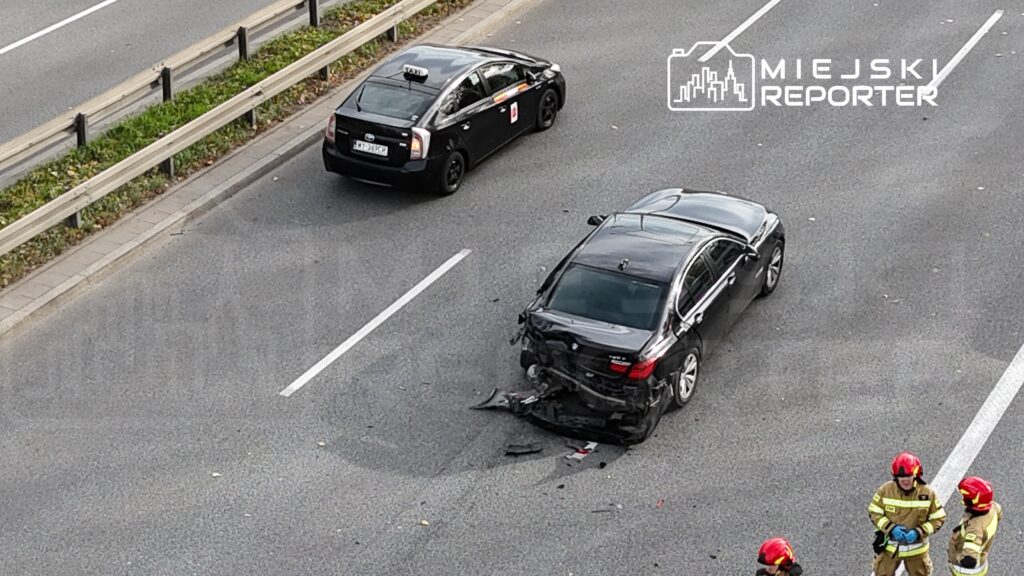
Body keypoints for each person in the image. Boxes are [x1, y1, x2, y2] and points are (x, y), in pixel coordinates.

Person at [868, 452, 946, 576]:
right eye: (901, 477)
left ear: (916, 474)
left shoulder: (927, 493)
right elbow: (874, 511)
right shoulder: (885, 490)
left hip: (916, 551)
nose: (905, 480)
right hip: (889, 549)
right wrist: (891, 528)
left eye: (908, 476)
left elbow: (938, 518)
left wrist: (918, 532)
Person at [947, 476, 1001, 575]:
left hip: (966, 572)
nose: (963, 499)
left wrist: (956, 559)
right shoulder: (993, 508)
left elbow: (969, 560)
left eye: (965, 497)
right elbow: (999, 512)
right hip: (982, 561)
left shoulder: (974, 529)